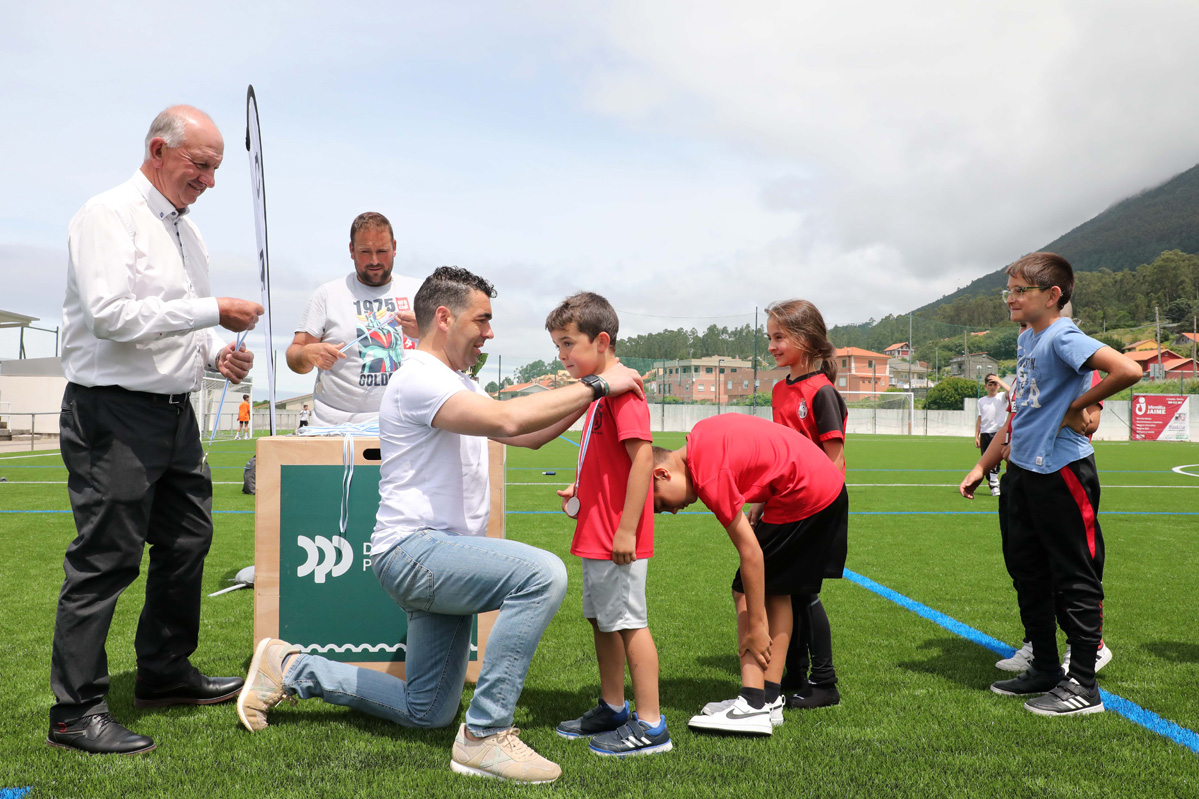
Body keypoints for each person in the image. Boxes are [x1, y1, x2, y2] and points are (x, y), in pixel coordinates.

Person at [238, 266, 645, 784]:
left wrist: (596, 396)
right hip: (417, 553)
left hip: (437, 555)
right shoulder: (420, 378)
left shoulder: (456, 381)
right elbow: (509, 420)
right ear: (446, 318)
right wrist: (598, 383)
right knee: (541, 575)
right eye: (483, 320)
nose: (489, 333)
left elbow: (528, 436)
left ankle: (290, 668)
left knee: (426, 709)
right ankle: (486, 735)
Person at [49, 105, 262, 755]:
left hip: (174, 413)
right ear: (158, 150)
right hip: (111, 412)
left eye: (216, 168)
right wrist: (214, 310)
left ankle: (165, 672)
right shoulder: (106, 214)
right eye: (201, 164)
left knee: (189, 539)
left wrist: (216, 355)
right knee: (106, 557)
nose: (210, 180)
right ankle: (74, 711)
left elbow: (182, 327)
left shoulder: (187, 231)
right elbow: (110, 315)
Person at [960, 252, 1140, 717]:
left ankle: (1083, 685)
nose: (1011, 298)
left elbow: (1128, 370)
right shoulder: (1028, 339)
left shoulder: (1062, 334)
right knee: (1027, 571)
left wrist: (1076, 406)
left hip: (1061, 470)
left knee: (1074, 575)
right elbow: (1020, 410)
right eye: (1009, 291)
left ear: (1053, 295)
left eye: (1020, 290)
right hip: (1022, 470)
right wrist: (983, 465)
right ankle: (1043, 666)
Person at [652, 413, 848, 735]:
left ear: (662, 474)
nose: (672, 511)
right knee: (777, 589)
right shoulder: (699, 436)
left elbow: (751, 553)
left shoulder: (707, 476)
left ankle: (753, 702)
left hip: (806, 491)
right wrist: (762, 495)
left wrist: (756, 627)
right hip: (818, 485)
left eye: (661, 503)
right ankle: (769, 698)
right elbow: (760, 448)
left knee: (745, 589)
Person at [545, 293, 669, 757]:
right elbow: (608, 463)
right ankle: (614, 707)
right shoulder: (598, 394)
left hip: (618, 537)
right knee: (602, 620)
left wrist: (627, 529)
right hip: (596, 531)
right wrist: (582, 490)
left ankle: (652, 725)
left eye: (568, 343)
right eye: (557, 346)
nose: (562, 355)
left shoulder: (623, 392)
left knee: (630, 623)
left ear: (601, 341)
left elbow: (642, 462)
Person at [755, 299, 849, 712]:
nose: (771, 346)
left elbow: (833, 460)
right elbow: (779, 455)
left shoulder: (822, 392)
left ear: (806, 339)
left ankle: (824, 683)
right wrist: (762, 498)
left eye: (779, 337)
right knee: (783, 590)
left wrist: (811, 509)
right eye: (770, 337)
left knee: (805, 593)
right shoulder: (780, 390)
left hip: (815, 504)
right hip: (785, 502)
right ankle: (792, 675)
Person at [286, 212, 424, 426]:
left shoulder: (420, 292)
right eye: (365, 252)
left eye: (382, 251)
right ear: (351, 250)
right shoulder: (327, 295)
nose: (375, 261)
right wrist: (307, 354)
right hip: (336, 428)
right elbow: (295, 357)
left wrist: (425, 333)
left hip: (406, 426)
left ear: (394, 247)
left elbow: (449, 354)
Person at [975, 374, 1009, 496]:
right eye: (990, 384)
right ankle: (992, 480)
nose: (993, 386)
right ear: (986, 386)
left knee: (998, 459)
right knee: (987, 460)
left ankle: (994, 483)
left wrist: (999, 380)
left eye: (995, 384)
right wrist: (976, 436)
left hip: (999, 433)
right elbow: (979, 419)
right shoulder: (981, 401)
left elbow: (1012, 391)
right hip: (985, 434)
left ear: (998, 386)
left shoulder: (1002, 397)